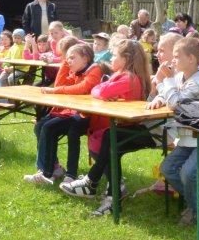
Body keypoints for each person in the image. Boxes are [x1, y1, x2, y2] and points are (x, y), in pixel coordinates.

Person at [60, 40, 153, 216]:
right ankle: (111, 193)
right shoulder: (124, 75)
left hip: (136, 129)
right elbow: (99, 89)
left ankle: (93, 183)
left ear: (125, 59)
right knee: (107, 138)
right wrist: (103, 89)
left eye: (114, 55)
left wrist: (103, 89)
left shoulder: (128, 77)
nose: (110, 57)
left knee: (108, 138)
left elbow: (99, 91)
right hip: (125, 127)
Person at [148, 36, 199, 225]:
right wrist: (160, 98)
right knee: (168, 168)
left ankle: (196, 210)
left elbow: (177, 103)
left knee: (188, 173)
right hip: (188, 138)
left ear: (191, 59)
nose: (172, 60)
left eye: (176, 56)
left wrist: (169, 80)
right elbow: (170, 96)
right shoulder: (181, 76)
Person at [24, 40, 102, 185]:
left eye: (72, 57)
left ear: (85, 59)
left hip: (92, 116)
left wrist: (54, 90)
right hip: (78, 112)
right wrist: (66, 63)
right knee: (42, 125)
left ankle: (60, 173)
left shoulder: (95, 70)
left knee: (52, 127)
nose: (68, 60)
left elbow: (81, 89)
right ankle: (50, 171)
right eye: (67, 57)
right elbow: (60, 85)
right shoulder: (77, 71)